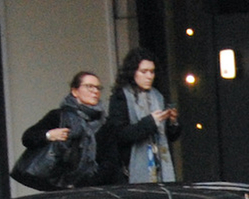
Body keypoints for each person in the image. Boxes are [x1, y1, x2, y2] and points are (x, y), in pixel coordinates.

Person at [99, 48, 179, 186]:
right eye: (144, 71)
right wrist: (151, 122)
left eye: (152, 71)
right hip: (131, 169)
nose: (149, 76)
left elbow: (171, 137)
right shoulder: (120, 96)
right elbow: (120, 134)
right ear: (132, 72)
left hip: (160, 168)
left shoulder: (157, 96)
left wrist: (172, 121)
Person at [17, 71, 106, 191]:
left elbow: (108, 160)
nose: (95, 91)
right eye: (89, 86)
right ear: (75, 91)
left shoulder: (105, 122)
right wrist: (49, 135)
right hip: (57, 185)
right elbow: (28, 138)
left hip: (91, 187)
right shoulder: (59, 116)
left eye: (98, 87)